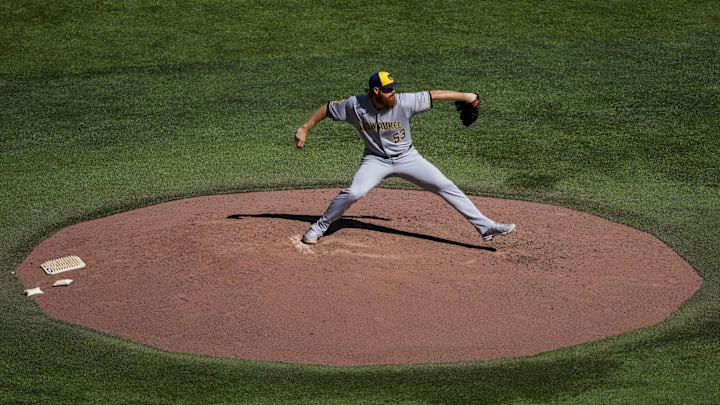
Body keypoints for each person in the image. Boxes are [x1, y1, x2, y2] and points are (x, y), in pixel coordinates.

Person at [294, 71, 515, 245]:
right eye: (389, 90)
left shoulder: (405, 101)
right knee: (354, 192)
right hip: (375, 160)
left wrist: (468, 96)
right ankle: (320, 226)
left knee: (445, 185)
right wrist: (305, 128)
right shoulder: (355, 105)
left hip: (407, 158)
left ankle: (485, 227)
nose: (393, 93)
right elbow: (328, 109)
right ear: (376, 90)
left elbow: (434, 94)